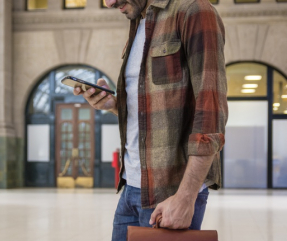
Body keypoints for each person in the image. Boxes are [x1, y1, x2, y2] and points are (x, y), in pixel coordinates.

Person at [74, 0, 228, 240]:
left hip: (170, 193)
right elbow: (152, 108)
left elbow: (211, 112)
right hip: (130, 189)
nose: (109, 3)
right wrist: (114, 105)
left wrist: (185, 197)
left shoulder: (194, 11)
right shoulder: (138, 21)